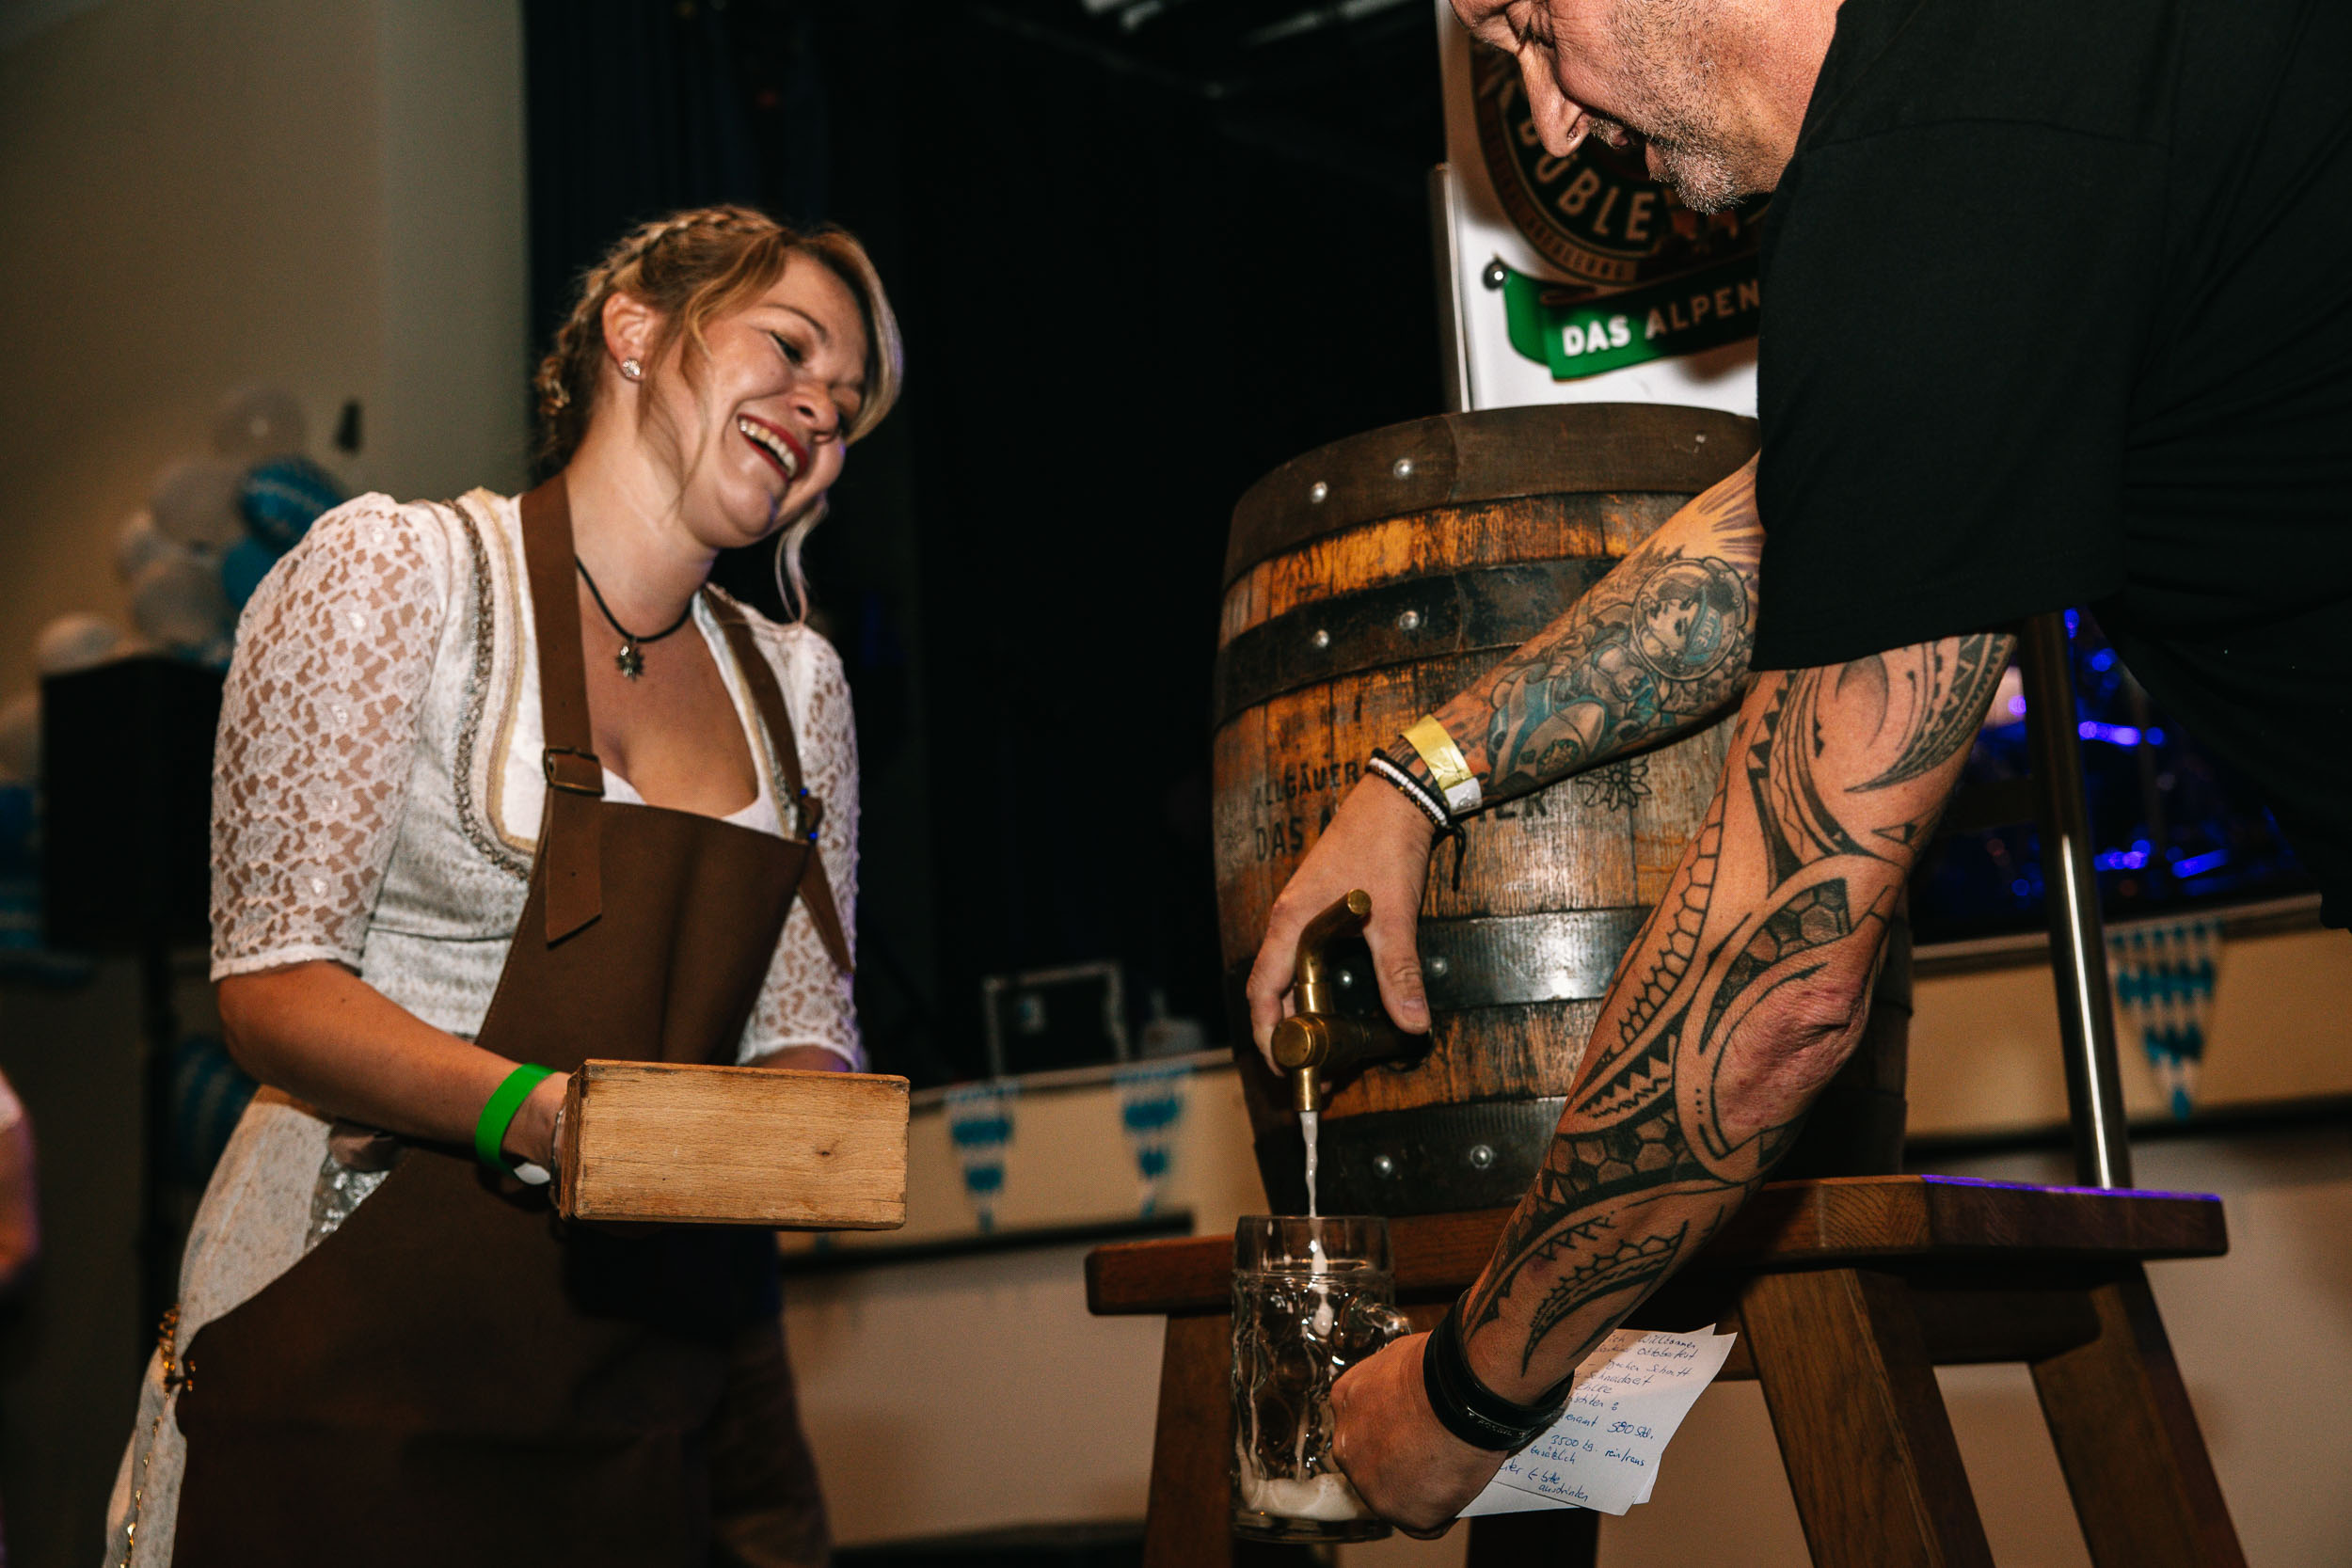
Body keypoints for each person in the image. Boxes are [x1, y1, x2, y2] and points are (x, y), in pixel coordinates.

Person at [1247, 0, 2350, 1533]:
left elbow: (1780, 988)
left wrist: (1463, 1399)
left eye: (1534, 27)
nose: (1551, 121)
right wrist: (1418, 779)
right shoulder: (2002, 93)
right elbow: (1812, 522)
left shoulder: (1931, 169)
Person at [103, 204, 901, 1566]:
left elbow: (802, 1030)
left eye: (847, 400)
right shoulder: (395, 575)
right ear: (636, 329)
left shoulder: (801, 689)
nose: (821, 408)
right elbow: (273, 991)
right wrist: (537, 1115)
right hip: (345, 1348)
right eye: (791, 347)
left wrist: (811, 1125)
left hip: (633, 1389)